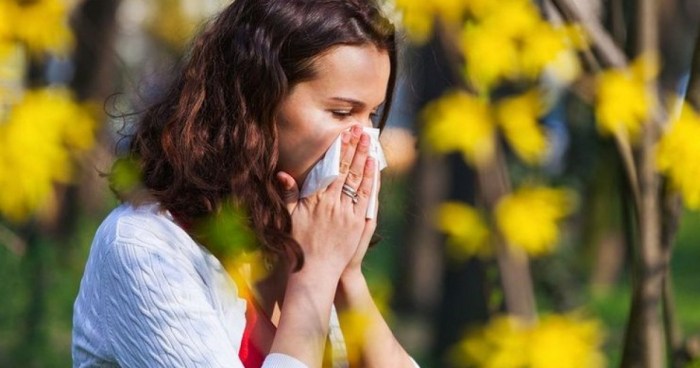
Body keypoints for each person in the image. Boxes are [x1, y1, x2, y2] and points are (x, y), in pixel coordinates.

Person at [72, 0, 419, 367]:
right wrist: (314, 275)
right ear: (257, 101)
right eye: (343, 112)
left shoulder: (297, 239)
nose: (366, 141)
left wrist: (346, 273)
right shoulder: (144, 248)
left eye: (373, 115)